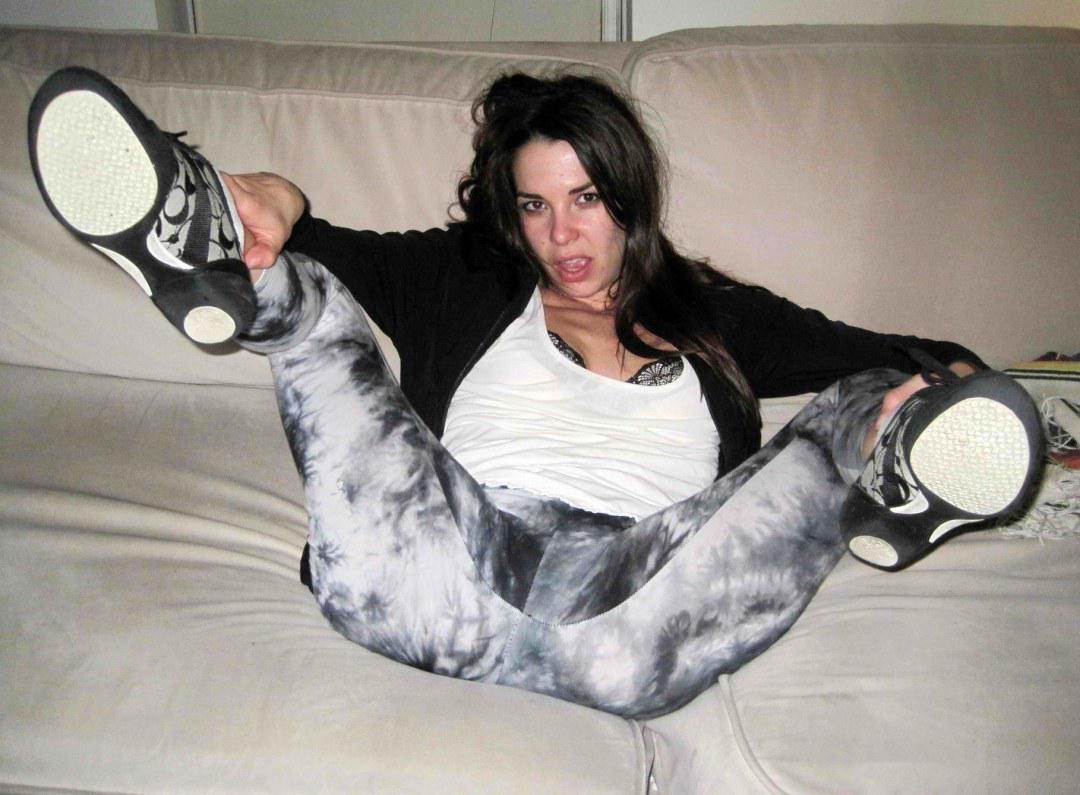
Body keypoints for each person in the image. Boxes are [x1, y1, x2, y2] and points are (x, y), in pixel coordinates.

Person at [27, 66, 1043, 719]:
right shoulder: (465, 277)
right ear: (510, 215)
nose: (564, 236)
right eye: (536, 206)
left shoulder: (720, 315)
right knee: (304, 303)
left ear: (630, 197)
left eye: (588, 199)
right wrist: (278, 197)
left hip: (637, 608)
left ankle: (897, 474)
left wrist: (936, 381)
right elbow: (313, 241)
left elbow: (903, 347)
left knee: (861, 397)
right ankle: (190, 235)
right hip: (429, 568)